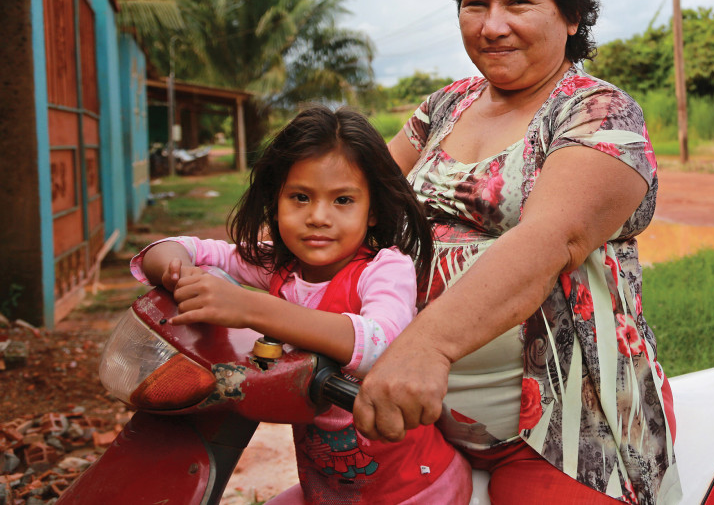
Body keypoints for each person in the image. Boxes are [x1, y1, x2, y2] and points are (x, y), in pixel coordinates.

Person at [353, 0, 681, 504]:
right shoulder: (442, 108)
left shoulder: (596, 111)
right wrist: (239, 265)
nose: (492, 25)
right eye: (475, 3)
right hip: (423, 417)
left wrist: (428, 344)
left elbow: (549, 239)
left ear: (570, 14)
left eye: (518, 2)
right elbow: (355, 203)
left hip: (574, 432)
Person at [131, 105, 472, 505]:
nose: (318, 217)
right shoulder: (280, 265)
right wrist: (177, 272)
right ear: (277, 201)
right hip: (328, 488)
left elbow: (380, 344)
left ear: (373, 209)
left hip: (414, 489)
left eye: (343, 199)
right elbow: (183, 249)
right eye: (300, 197)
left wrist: (249, 308)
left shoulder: (382, 270)